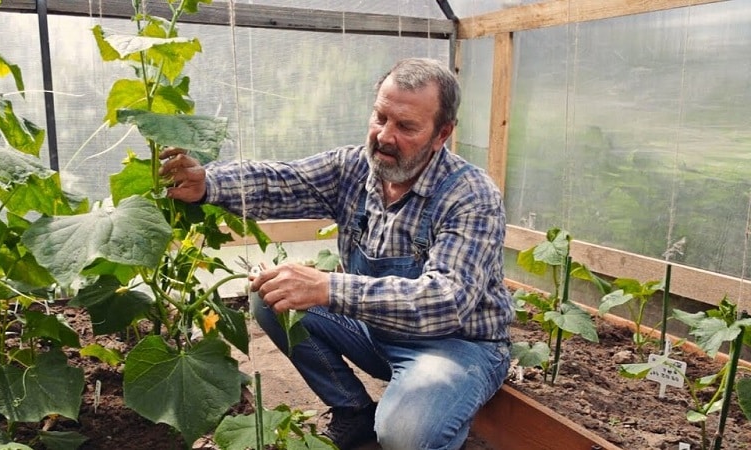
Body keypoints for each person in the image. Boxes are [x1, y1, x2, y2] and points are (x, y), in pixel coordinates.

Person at [159, 57, 514, 450]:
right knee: (271, 294)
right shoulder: (354, 168)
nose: (384, 136)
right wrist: (208, 182)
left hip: (454, 345)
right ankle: (352, 410)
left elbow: (446, 301)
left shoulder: (470, 195)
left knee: (405, 434)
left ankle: (431, 416)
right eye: (380, 117)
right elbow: (283, 181)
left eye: (406, 126)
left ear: (441, 133)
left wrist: (329, 287)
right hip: (376, 331)